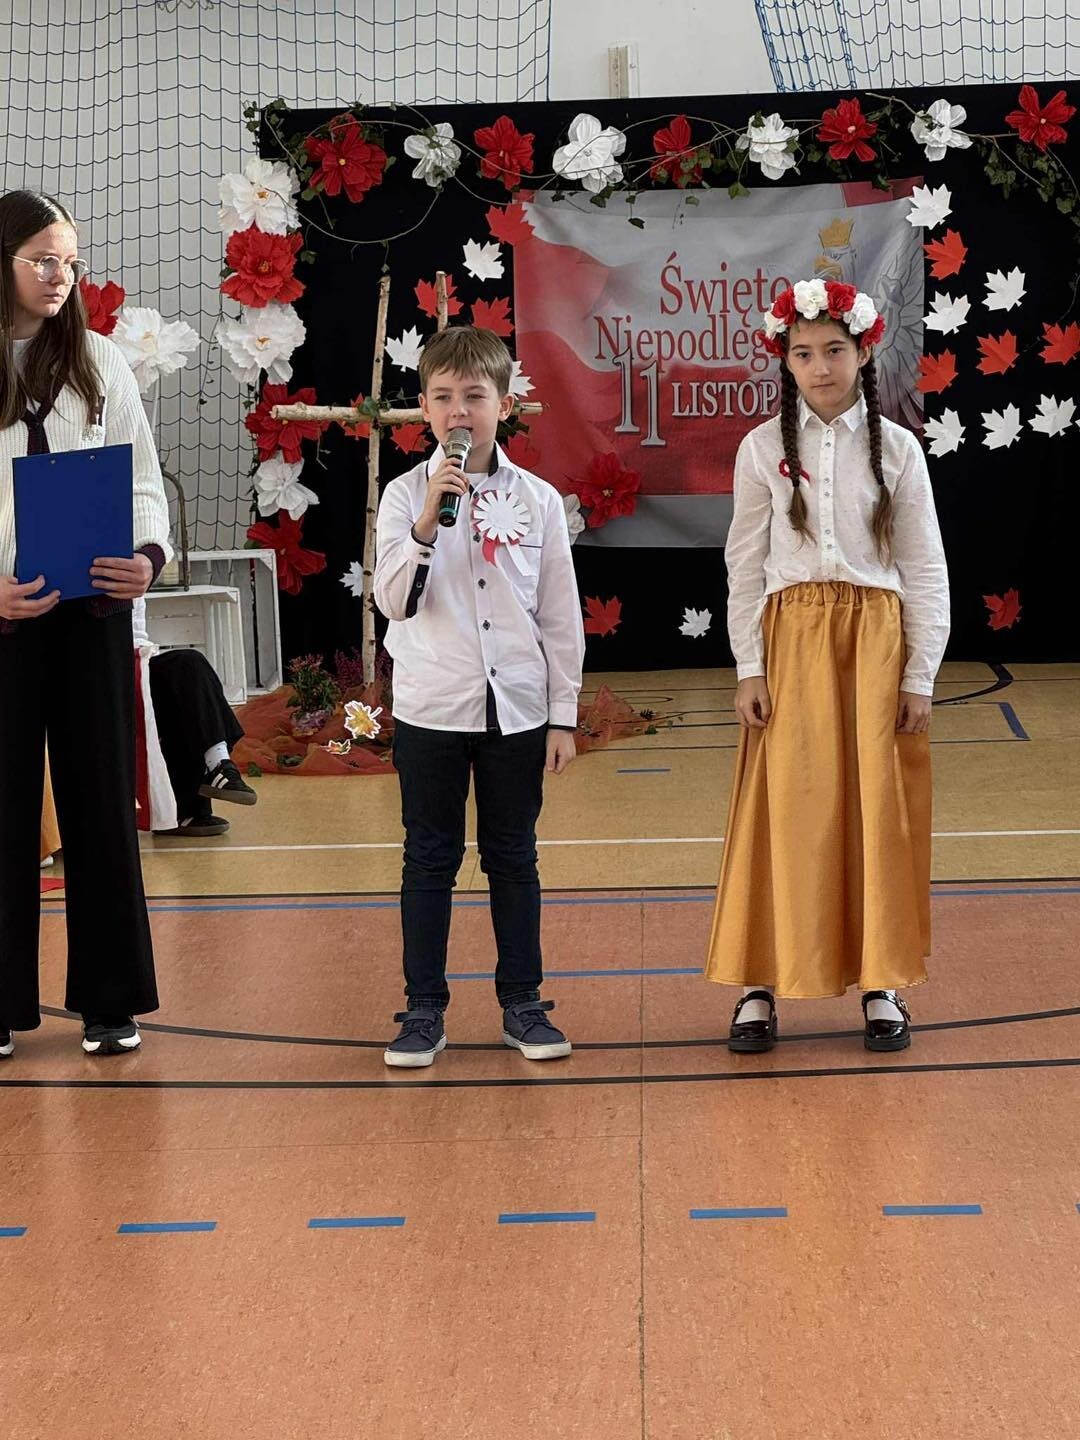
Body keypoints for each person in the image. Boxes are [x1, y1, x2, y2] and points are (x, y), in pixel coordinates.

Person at [705, 279, 949, 1053]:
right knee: (785, 809)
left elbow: (924, 566)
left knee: (877, 811)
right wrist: (749, 665)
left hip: (875, 644)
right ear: (785, 359)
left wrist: (919, 674)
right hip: (794, 642)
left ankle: (880, 980)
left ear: (863, 351)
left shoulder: (900, 449)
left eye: (834, 350)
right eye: (804, 353)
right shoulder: (761, 448)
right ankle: (758, 982)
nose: (819, 367)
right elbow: (745, 562)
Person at [374, 325, 585, 1068]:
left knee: (513, 856)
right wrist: (427, 522)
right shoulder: (403, 496)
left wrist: (563, 714)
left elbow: (558, 613)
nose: (458, 411)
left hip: (517, 708)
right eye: (442, 397)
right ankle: (423, 1009)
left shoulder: (540, 500)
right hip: (432, 706)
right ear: (424, 409)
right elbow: (393, 601)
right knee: (428, 857)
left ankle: (522, 1003)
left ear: (504, 404)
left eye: (474, 396)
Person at [0, 189, 172, 1059]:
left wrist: (145, 557)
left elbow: (142, 479)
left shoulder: (100, 361)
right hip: (3, 618)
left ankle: (111, 1000)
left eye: (69, 261)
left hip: (93, 609)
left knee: (102, 804)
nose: (59, 275)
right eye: (42, 260)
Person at [131, 597, 256, 838]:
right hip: (99, 671)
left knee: (188, 667)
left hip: (133, 662)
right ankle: (211, 776)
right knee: (178, 673)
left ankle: (216, 767)